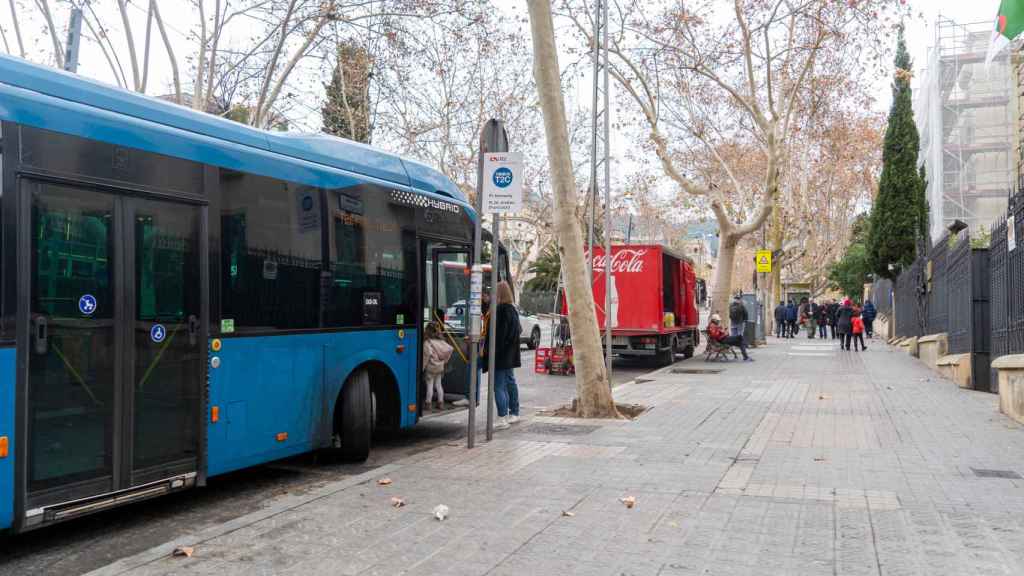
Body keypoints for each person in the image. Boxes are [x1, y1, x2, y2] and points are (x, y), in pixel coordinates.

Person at [483, 281, 521, 430]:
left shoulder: (500, 311)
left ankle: (502, 417)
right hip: (510, 355)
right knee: (510, 382)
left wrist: (491, 353)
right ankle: (515, 413)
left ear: (498, 294)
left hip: (500, 355)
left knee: (498, 386)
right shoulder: (512, 309)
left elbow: (498, 336)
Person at [422, 323, 454, 411]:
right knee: (439, 385)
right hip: (440, 367)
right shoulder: (442, 342)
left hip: (430, 368)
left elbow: (426, 356)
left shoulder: (427, 343)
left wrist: (422, 368)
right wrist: (444, 361)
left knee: (429, 385)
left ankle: (428, 403)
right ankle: (440, 403)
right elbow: (450, 349)